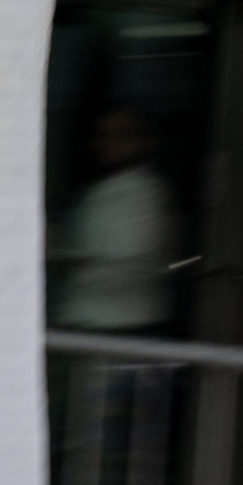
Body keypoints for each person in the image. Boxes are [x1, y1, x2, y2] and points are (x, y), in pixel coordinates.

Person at [51, 107, 178, 336]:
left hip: (123, 327)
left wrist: (68, 260)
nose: (106, 143)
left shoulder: (147, 195)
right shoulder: (98, 190)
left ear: (143, 141)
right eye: (101, 135)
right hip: (92, 323)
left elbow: (123, 264)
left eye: (121, 135)